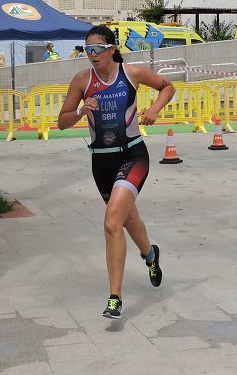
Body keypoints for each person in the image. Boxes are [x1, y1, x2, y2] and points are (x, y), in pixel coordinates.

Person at [58, 24, 175, 319]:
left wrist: (155, 110)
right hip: (102, 162)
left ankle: (115, 298)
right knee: (127, 220)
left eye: (98, 49)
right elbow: (62, 121)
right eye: (88, 50)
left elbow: (167, 86)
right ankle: (150, 255)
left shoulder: (131, 73)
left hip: (133, 155)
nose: (93, 55)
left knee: (112, 222)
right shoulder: (82, 81)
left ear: (111, 49)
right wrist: (82, 111)